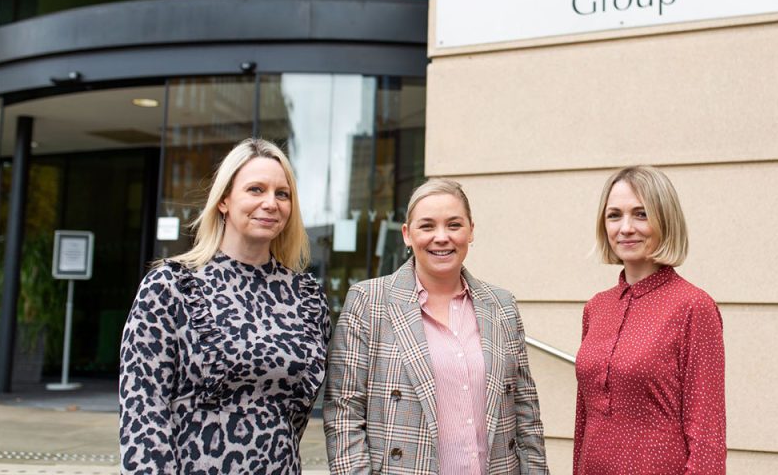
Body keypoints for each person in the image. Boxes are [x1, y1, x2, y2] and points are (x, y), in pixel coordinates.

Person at [119, 138, 331, 474]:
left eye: (282, 194)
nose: (270, 203)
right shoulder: (171, 286)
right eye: (256, 189)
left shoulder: (307, 296)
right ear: (223, 201)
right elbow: (143, 410)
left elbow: (296, 416)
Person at [324, 178, 548, 475]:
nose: (441, 237)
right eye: (427, 226)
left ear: (471, 231)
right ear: (407, 234)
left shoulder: (502, 305)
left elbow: (526, 413)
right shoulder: (369, 301)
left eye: (454, 225)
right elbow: (344, 412)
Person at [574, 166, 726, 475]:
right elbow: (583, 419)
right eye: (614, 216)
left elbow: (707, 433)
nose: (626, 228)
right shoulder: (596, 308)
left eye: (641, 214)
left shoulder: (693, 306)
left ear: (665, 219)